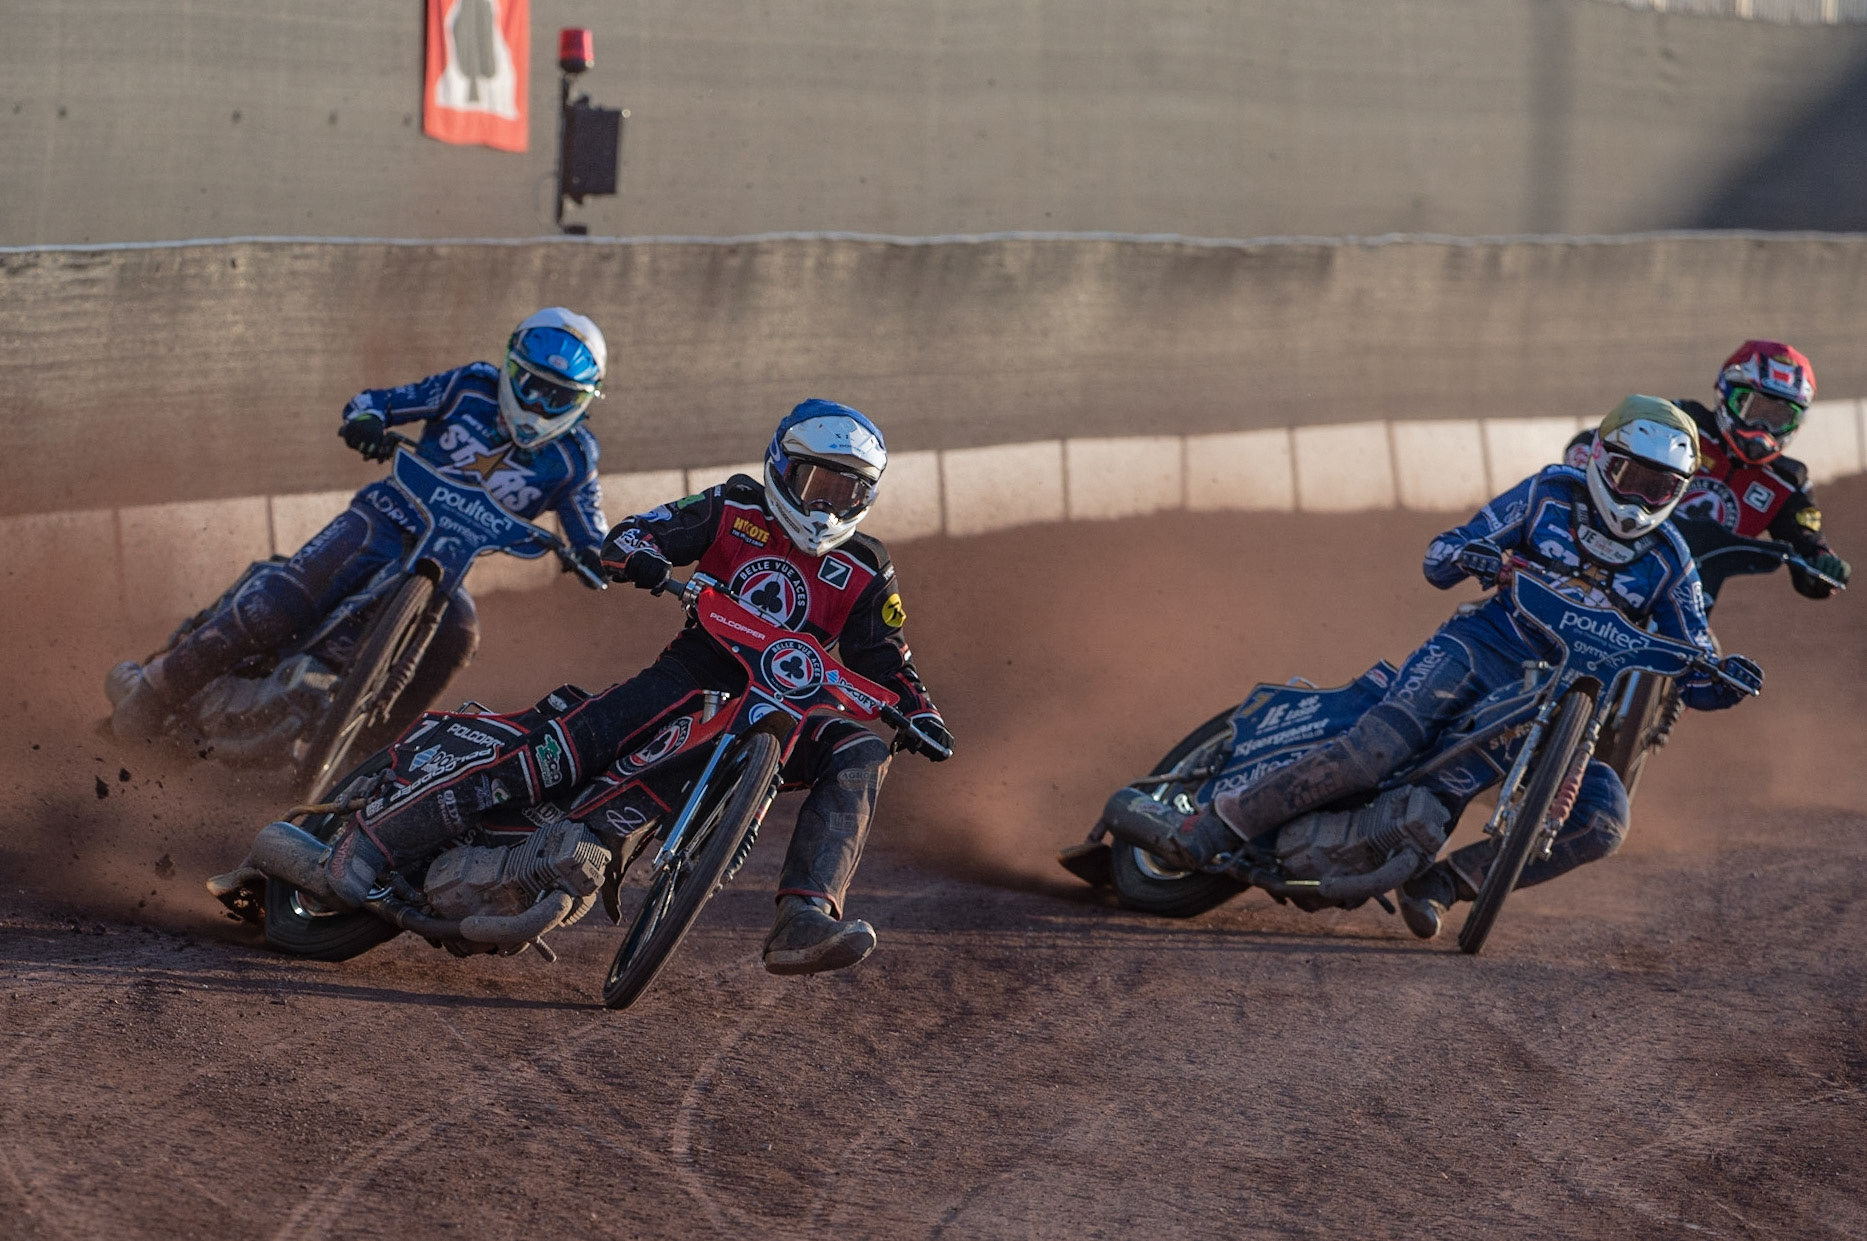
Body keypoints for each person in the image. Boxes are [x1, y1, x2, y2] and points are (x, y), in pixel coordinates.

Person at [318, 399, 953, 976]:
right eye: (817, 484)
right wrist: (640, 556)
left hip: (785, 712)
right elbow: (632, 534)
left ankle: (804, 917)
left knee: (862, 749)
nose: (827, 507)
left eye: (848, 493)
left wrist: (920, 713)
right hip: (694, 673)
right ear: (782, 468)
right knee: (568, 748)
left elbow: (888, 661)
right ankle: (379, 838)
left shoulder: (867, 568)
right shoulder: (732, 504)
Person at [1104, 397, 1763, 939]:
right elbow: (1442, 551)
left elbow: (1695, 657)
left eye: (1661, 486)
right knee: (1375, 748)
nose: (1641, 496)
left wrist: (1721, 676)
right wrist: (1474, 558)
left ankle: (1445, 880)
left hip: (1566, 704)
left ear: (1678, 493)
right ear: (1600, 463)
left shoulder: (1672, 560)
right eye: (1630, 477)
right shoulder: (1545, 493)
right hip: (1479, 648)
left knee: (1604, 817)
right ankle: (1211, 824)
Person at [107, 308, 613, 742]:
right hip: (382, 521)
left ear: (584, 402)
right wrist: (367, 423)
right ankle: (153, 691)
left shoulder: (574, 457)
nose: (540, 407)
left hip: (447, 568)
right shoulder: (469, 387)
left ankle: (363, 763)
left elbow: (591, 528)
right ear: (510, 370)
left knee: (460, 634)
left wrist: (599, 555)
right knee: (278, 605)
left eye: (559, 398)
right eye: (532, 387)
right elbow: (376, 402)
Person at [1564, 340, 1849, 600]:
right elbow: (1589, 443)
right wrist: (1582, 479)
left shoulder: (1788, 481)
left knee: (1706, 657)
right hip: (1601, 559)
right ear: (1726, 394)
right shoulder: (1683, 423)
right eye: (1753, 409)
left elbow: (1806, 545)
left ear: (1797, 421)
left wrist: (1822, 563)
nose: (1762, 429)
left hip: (1683, 598)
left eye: (1779, 418)